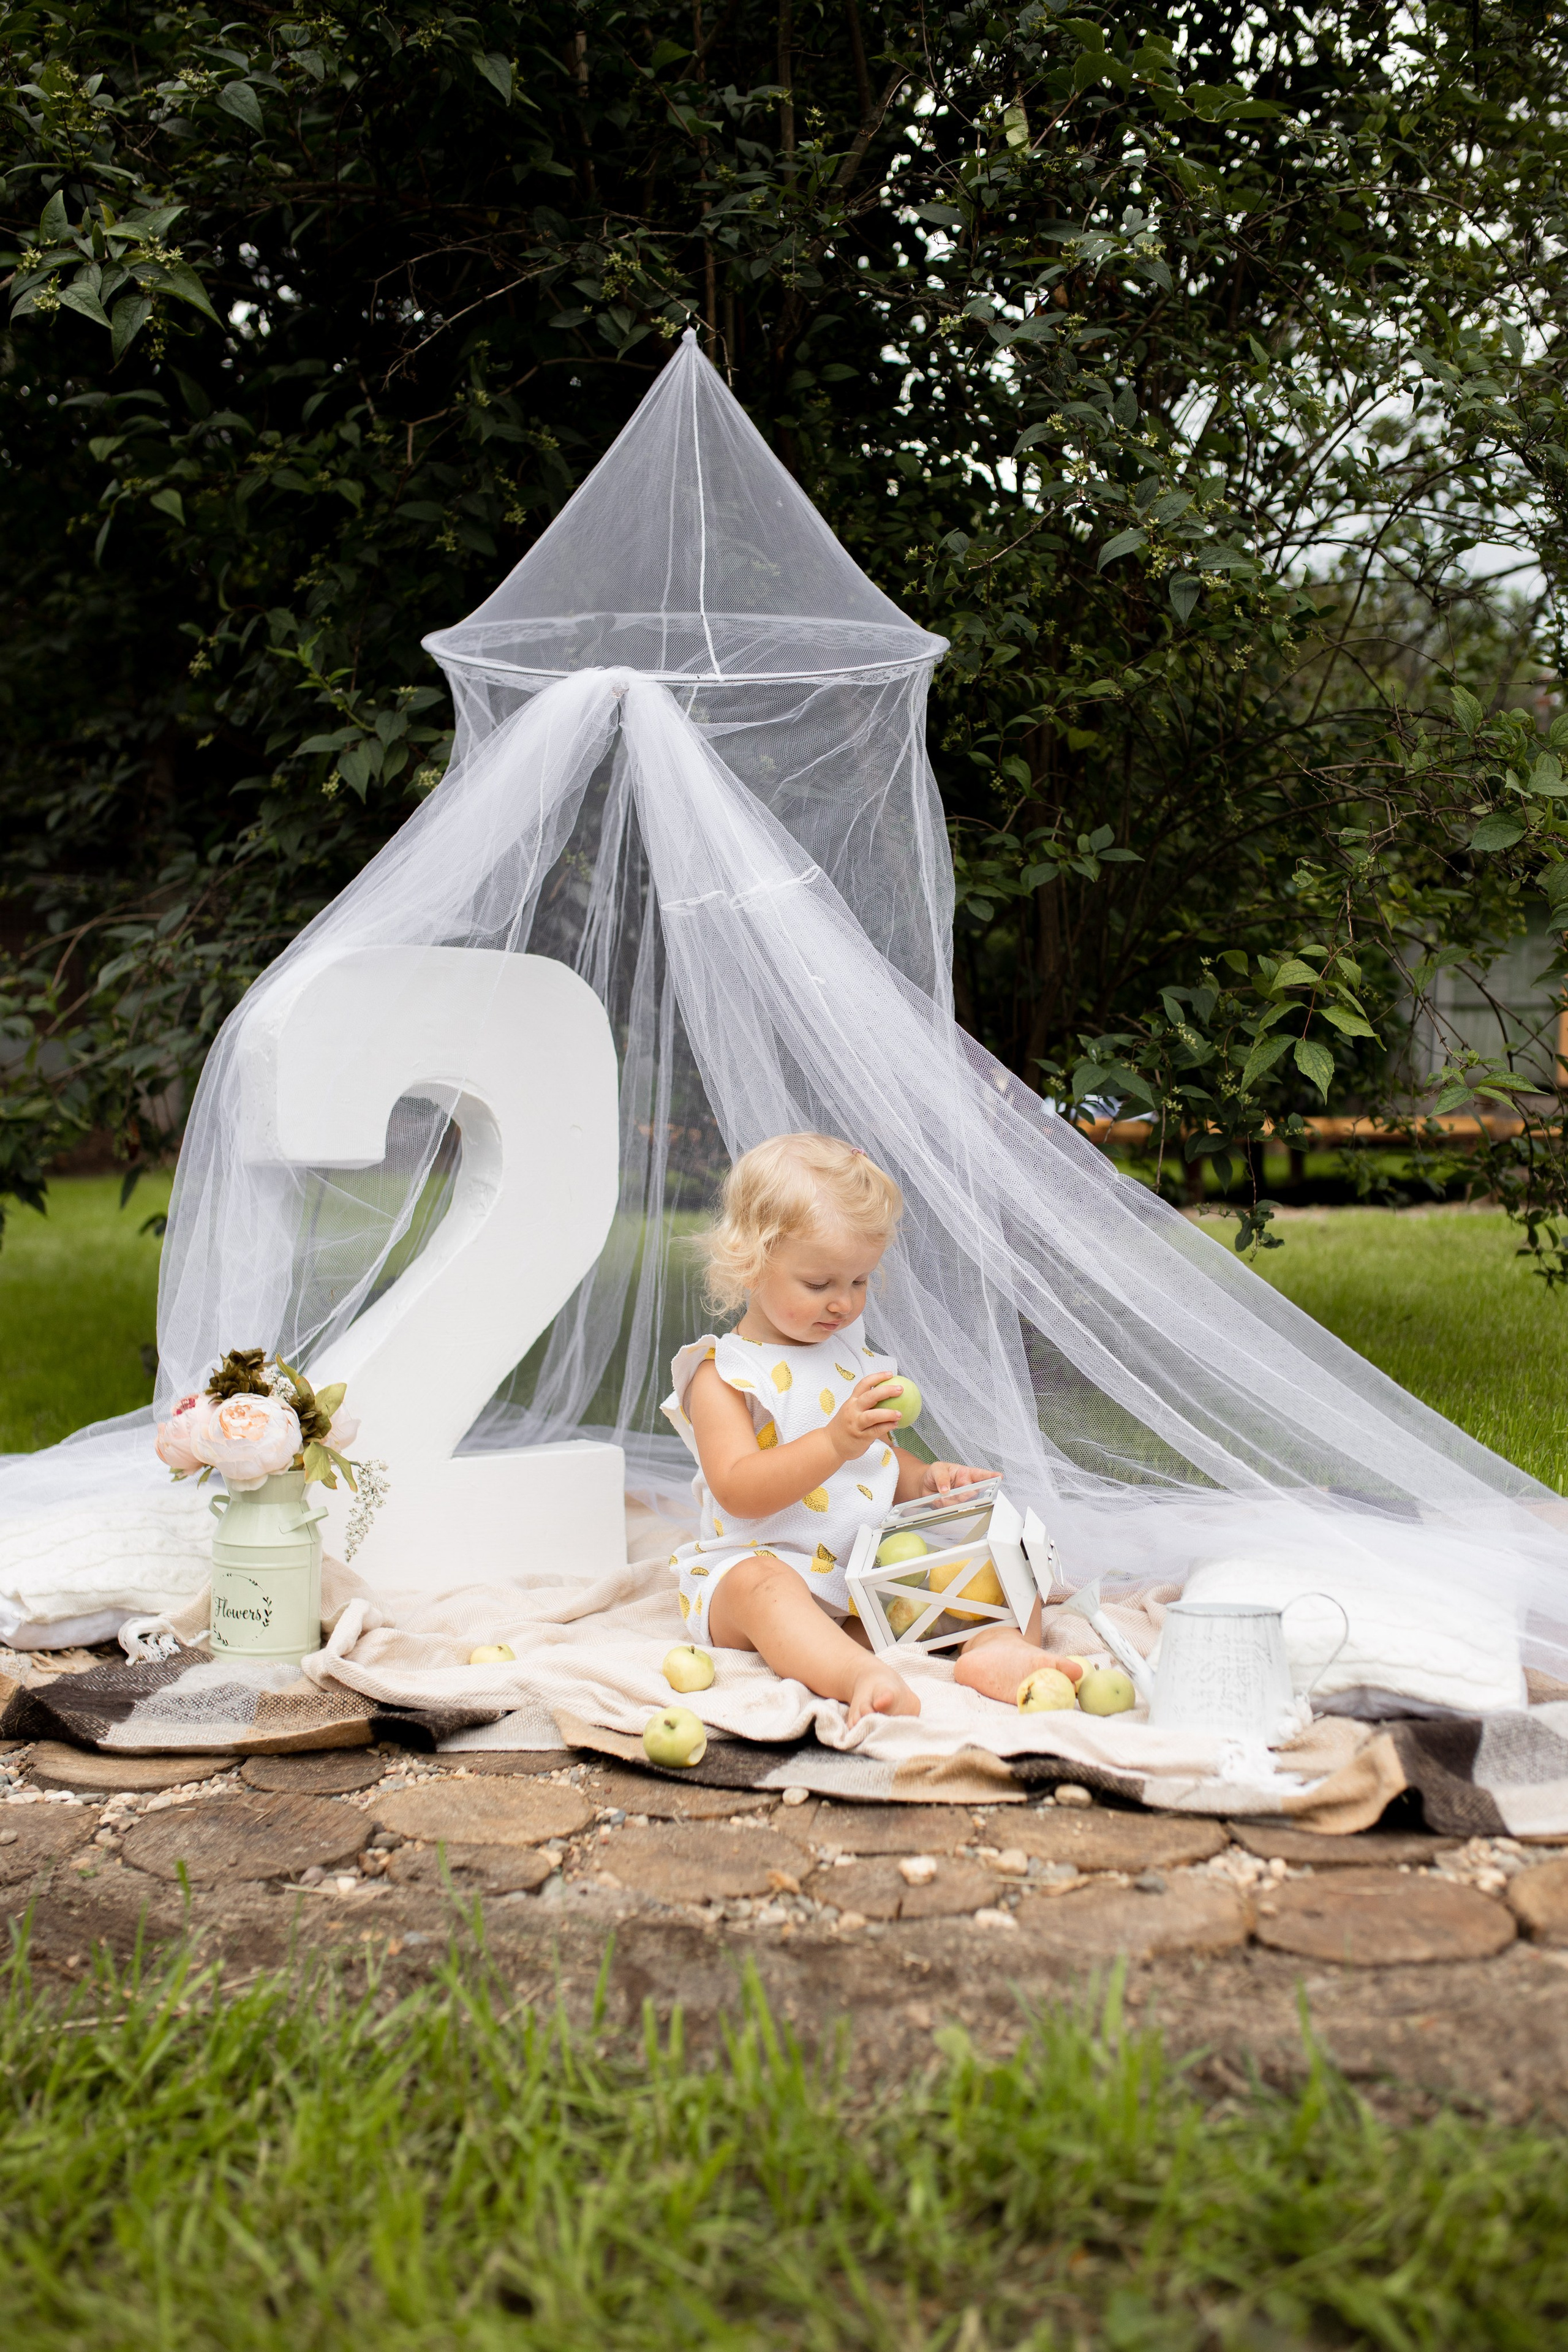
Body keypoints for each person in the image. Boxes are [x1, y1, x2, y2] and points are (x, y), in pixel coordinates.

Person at [662, 1133, 1085, 1724]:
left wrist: (927, 1479)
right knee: (761, 1586)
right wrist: (834, 1441)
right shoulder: (725, 1373)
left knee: (1004, 1549)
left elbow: (876, 1463)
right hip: (761, 1568)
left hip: (862, 1569)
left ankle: (997, 1648)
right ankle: (857, 1675)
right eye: (819, 1285)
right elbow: (739, 1490)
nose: (843, 1304)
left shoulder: (848, 1354)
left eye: (858, 1282)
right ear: (751, 1264)